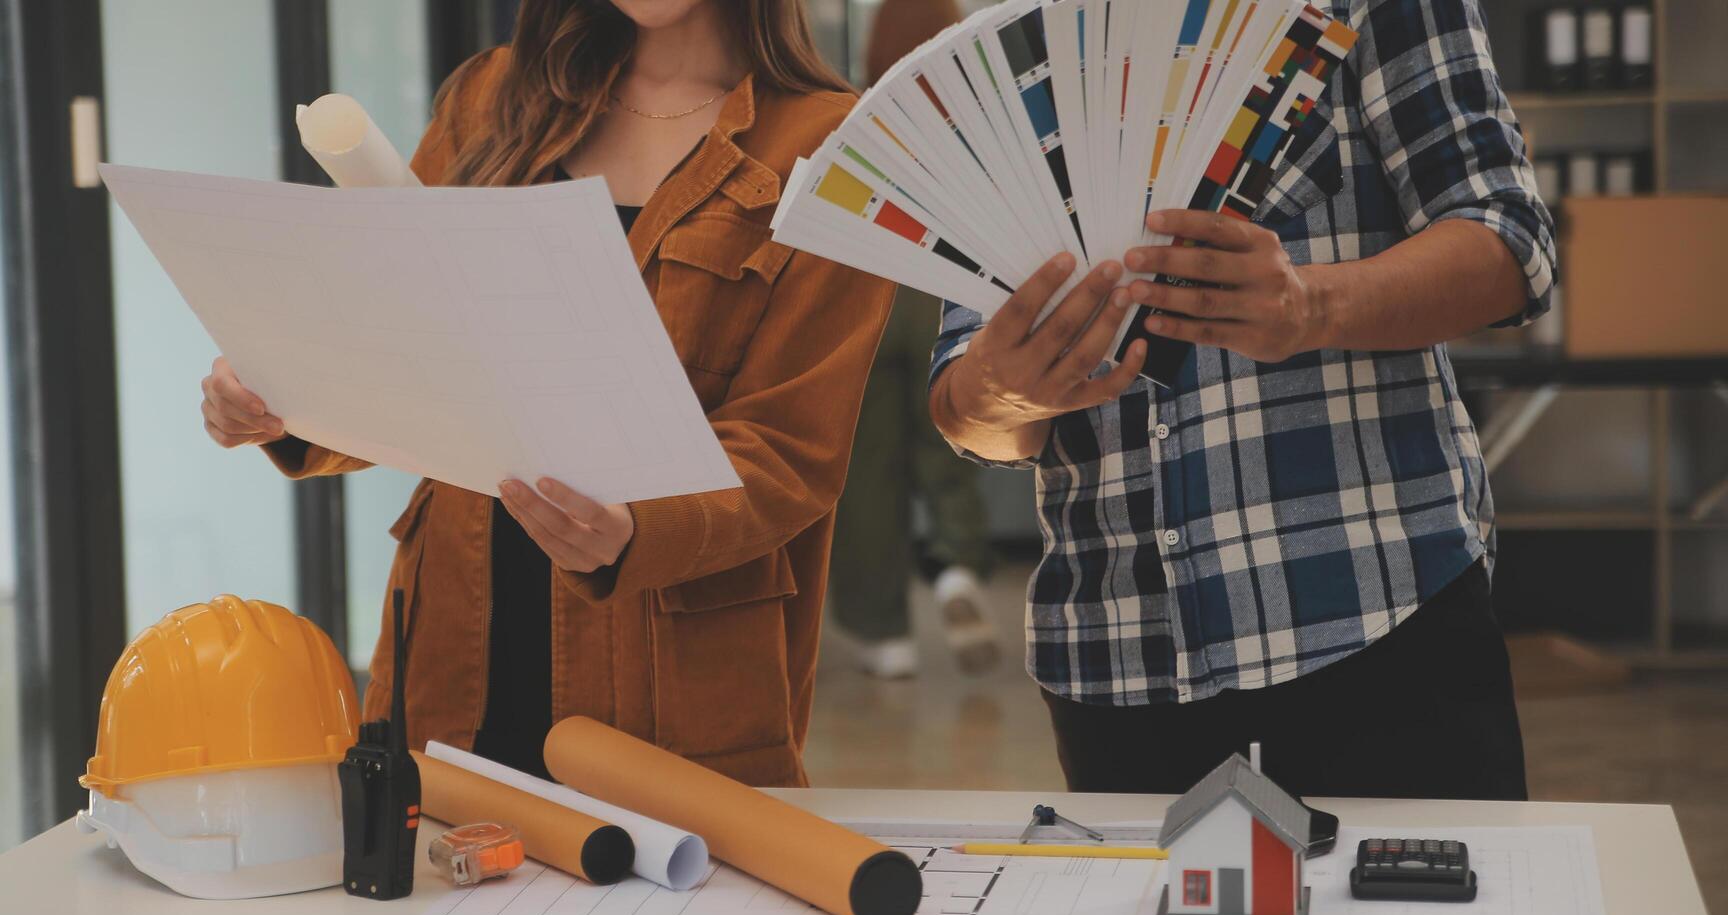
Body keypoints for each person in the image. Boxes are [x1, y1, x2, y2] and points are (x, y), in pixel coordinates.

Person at [199, 0, 895, 787]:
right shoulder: (492, 100)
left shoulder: (833, 147)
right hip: (454, 660)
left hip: (675, 693)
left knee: (661, 901)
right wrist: (277, 400)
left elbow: (790, 448)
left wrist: (636, 528)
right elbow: (396, 339)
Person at [928, 0, 1554, 801]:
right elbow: (965, 409)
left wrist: (1312, 305)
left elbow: (1509, 244)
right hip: (1112, 661)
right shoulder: (1010, 39)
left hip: (1374, 620)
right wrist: (1003, 393)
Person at [828, 0, 1000, 680]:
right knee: (949, 448)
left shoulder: (853, 123)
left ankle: (885, 636)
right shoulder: (975, 131)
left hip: (863, 300)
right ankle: (959, 570)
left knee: (867, 471)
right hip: (942, 299)